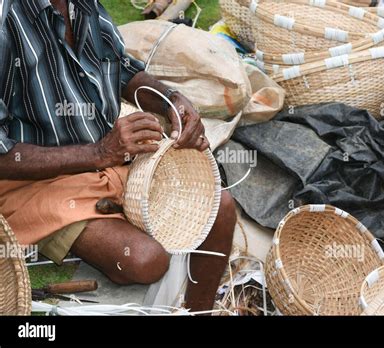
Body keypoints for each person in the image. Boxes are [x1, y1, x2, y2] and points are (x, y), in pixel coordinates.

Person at [0, 0, 236, 312]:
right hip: (33, 182)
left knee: (220, 209)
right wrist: (99, 152)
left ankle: (198, 311)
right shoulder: (6, 19)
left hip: (107, 160)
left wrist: (171, 102)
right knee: (143, 259)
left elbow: (124, 71)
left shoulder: (83, 5)